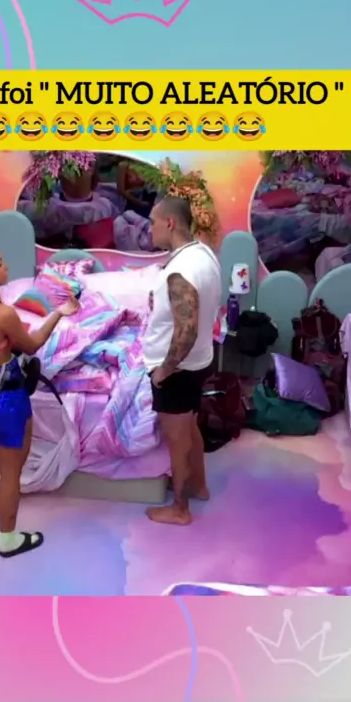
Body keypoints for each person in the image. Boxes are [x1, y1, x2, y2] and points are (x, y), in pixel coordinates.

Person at [0, 237, 79, 558]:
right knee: (11, 470)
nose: (5, 266)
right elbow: (32, 344)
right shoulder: (3, 314)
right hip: (7, 398)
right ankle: (8, 539)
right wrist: (59, 313)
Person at [142, 195, 222, 525]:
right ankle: (199, 486)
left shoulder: (179, 272)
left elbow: (185, 332)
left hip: (178, 370)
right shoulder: (203, 253)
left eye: (152, 223)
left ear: (170, 223)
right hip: (200, 360)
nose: (149, 229)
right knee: (189, 427)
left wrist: (164, 370)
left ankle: (179, 509)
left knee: (177, 441)